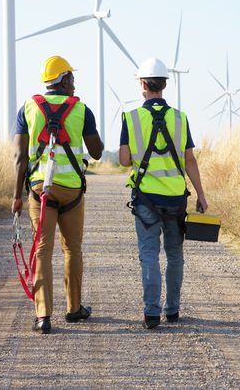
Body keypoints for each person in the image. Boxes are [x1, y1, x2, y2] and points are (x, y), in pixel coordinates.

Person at [13, 55, 104, 334]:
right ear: (63, 80)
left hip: (41, 191)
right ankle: (74, 309)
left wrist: (17, 196)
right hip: (72, 192)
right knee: (72, 250)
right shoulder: (81, 110)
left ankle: (43, 316)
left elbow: (20, 157)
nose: (75, 84)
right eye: (72, 79)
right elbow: (97, 152)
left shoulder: (28, 108)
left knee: (42, 251)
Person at [119, 57, 208, 329]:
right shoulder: (180, 118)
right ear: (165, 85)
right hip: (176, 200)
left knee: (149, 254)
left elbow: (123, 160)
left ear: (143, 85)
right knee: (175, 255)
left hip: (146, 199)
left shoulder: (131, 118)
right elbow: (189, 160)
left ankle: (151, 313)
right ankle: (172, 310)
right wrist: (201, 195)